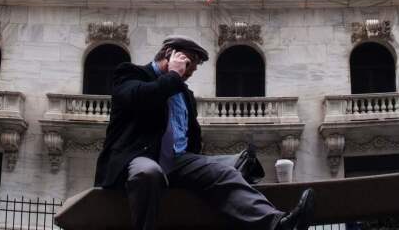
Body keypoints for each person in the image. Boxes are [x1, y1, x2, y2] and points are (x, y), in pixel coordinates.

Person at [94, 37, 316, 230]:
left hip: (178, 161)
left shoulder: (184, 93)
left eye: (193, 68)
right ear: (170, 54)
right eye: (189, 64)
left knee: (224, 172)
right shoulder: (131, 73)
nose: (190, 73)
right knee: (148, 173)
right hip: (139, 157)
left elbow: (192, 138)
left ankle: (278, 224)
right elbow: (139, 98)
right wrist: (173, 75)